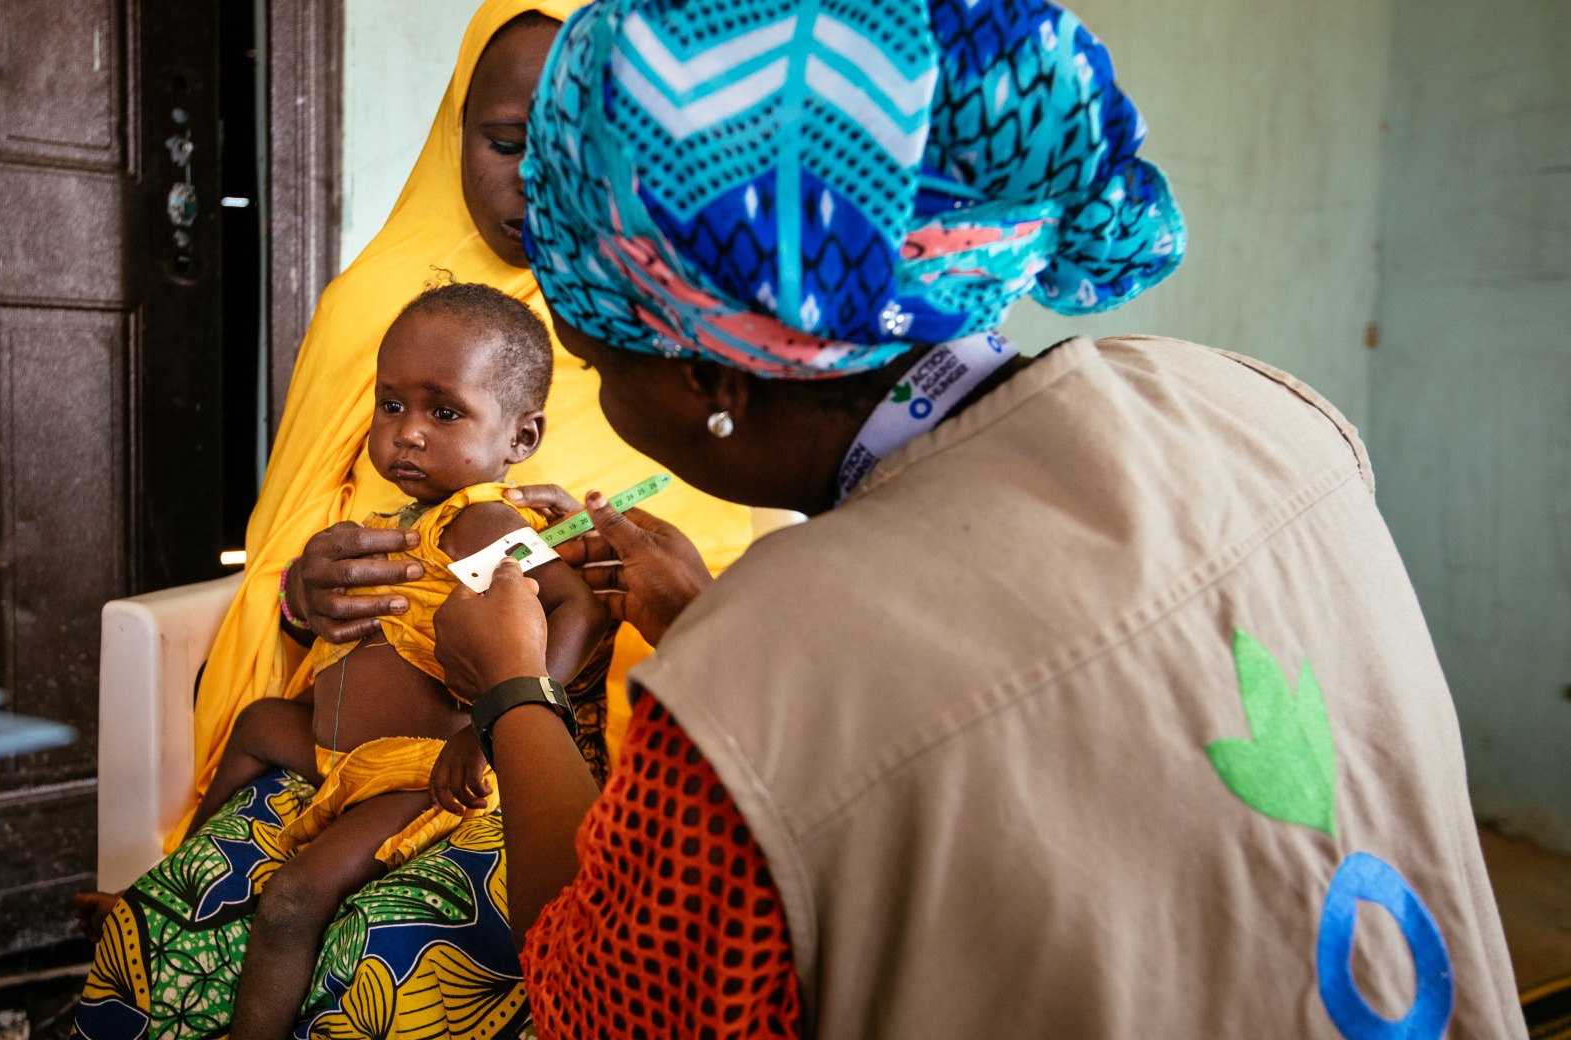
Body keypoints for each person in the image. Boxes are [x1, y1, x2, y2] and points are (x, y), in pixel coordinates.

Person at [414, 0, 1531, 1037]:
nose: (595, 389)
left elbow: (596, 1005)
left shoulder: (750, 695)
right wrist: (725, 632)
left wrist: (515, 689)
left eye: (598, 356)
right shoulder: (1259, 406)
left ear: (716, 383)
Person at [76, 4, 750, 1036]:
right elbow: (287, 544)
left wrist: (520, 693)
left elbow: (726, 600)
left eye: (579, 152)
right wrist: (306, 589)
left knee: (379, 949)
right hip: (353, 724)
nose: (534, 182)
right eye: (506, 143)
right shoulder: (378, 310)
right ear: (458, 129)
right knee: (177, 905)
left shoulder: (690, 335)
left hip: (533, 761)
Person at [196, 283, 611, 1039]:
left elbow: (576, 604)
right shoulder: (392, 519)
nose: (407, 434)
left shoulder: (482, 521)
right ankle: (190, 860)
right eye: (391, 406)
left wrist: (488, 728)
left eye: (443, 412)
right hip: (340, 757)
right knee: (258, 722)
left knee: (293, 900)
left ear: (521, 439)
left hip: (412, 773)